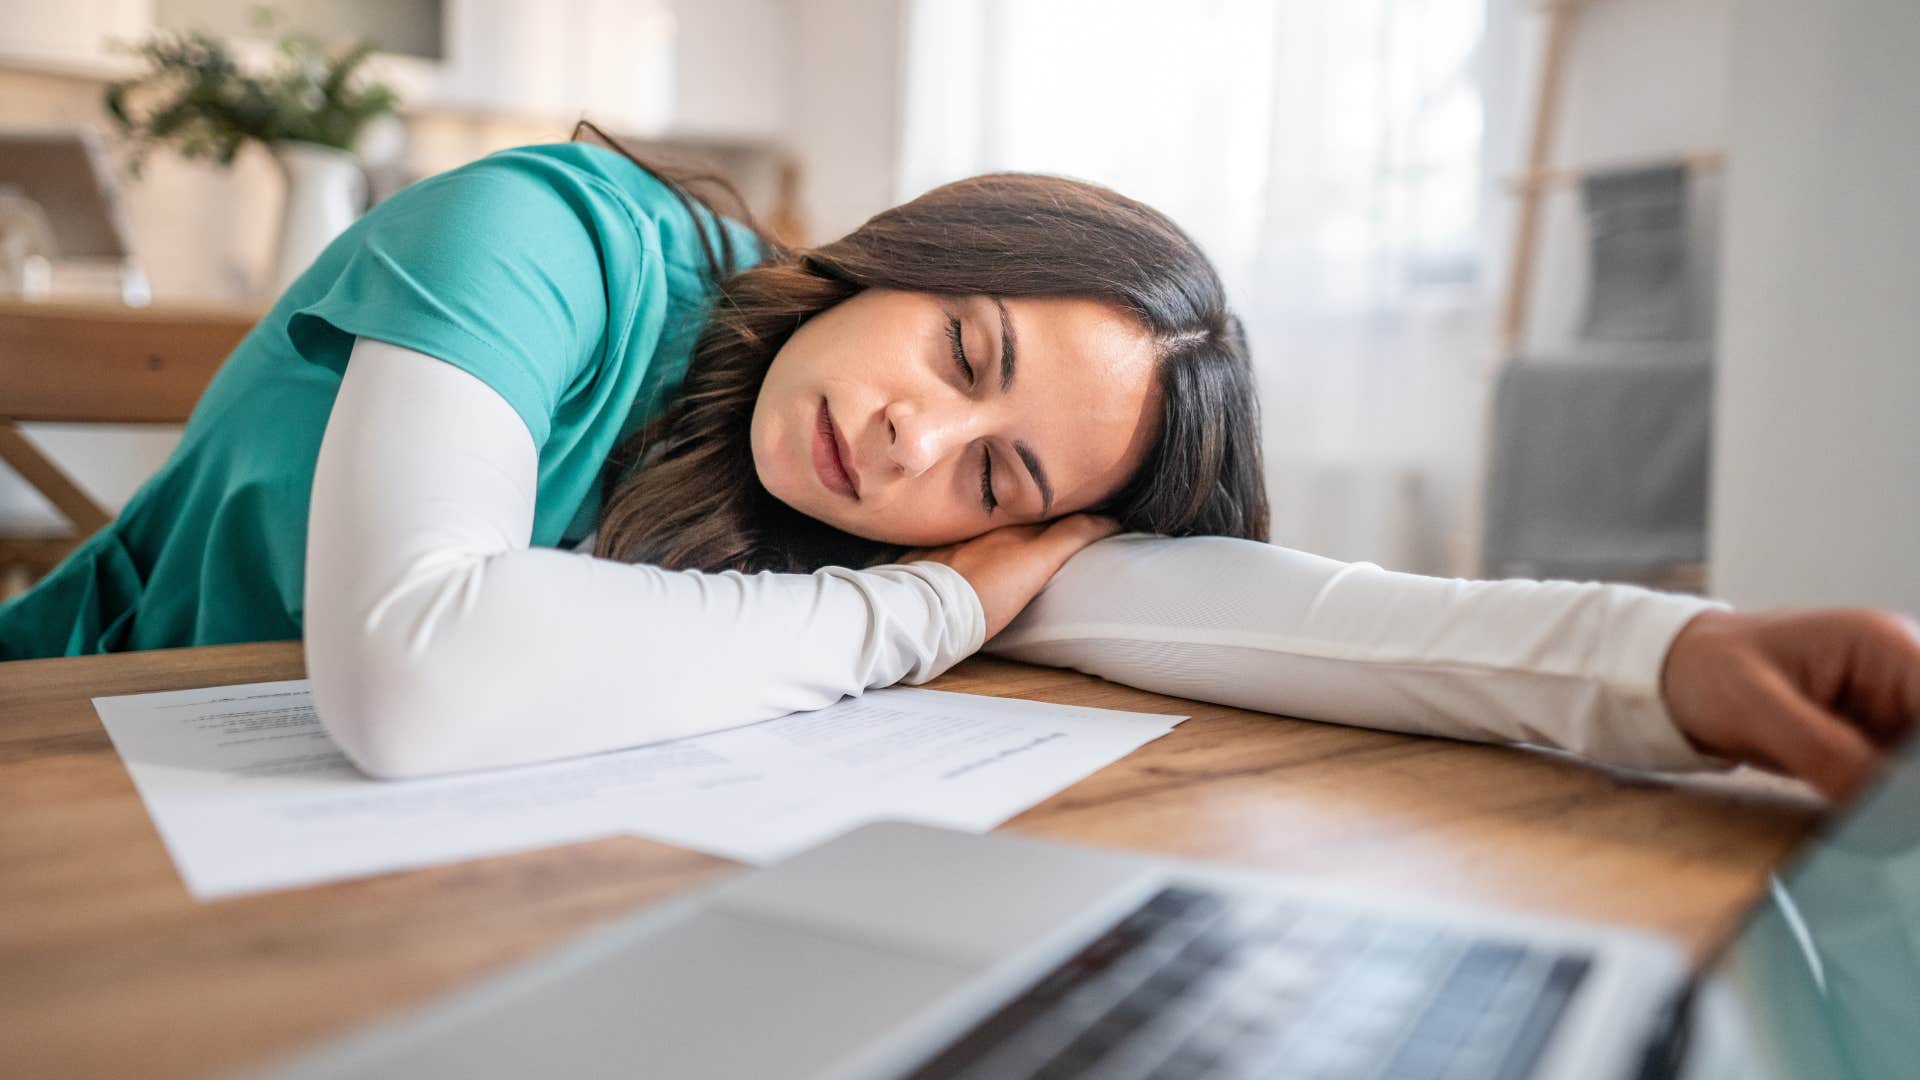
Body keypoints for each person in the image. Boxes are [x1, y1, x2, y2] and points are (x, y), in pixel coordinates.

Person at [2, 125, 1914, 801]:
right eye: (964, 347)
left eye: (1001, 481)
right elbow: (414, 675)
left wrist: (1665, 666)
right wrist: (921, 601)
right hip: (58, 768)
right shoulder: (554, 235)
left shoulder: (841, 495)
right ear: (911, 255)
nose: (921, 434)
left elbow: (1251, 614)